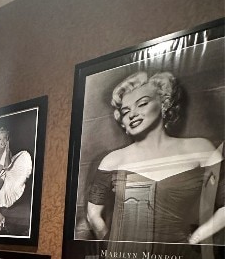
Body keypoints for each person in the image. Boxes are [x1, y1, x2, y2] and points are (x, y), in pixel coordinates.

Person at [86, 71, 224, 249]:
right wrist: (112, 247)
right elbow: (93, 214)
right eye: (125, 111)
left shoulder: (200, 149)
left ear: (164, 104)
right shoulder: (111, 161)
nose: (132, 114)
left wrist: (198, 237)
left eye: (142, 104)